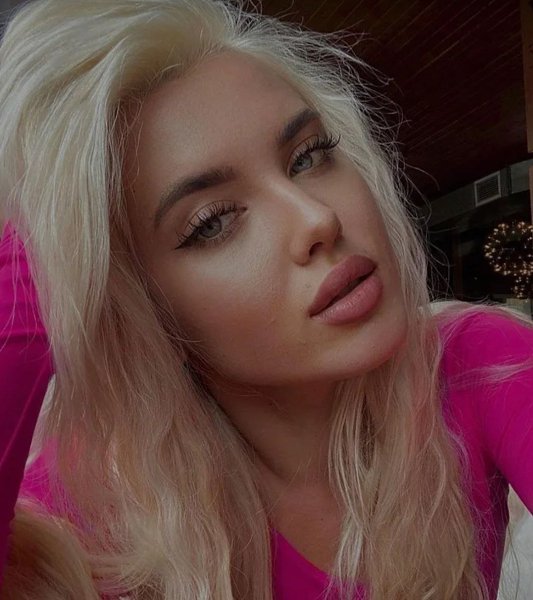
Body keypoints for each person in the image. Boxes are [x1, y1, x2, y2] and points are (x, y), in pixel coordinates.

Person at [0, 1, 531, 598]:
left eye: (309, 156)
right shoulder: (81, 517)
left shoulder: (478, 365)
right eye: (213, 221)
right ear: (138, 308)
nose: (318, 218)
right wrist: (43, 246)